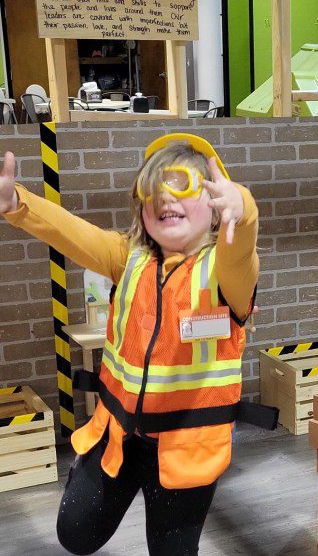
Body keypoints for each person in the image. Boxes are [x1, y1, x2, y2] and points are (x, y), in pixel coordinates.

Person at [0, 133, 276, 556]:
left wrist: (246, 207)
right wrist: (18, 203)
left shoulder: (225, 271)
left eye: (182, 187)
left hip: (186, 449)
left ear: (218, 209)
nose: (166, 199)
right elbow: (70, 232)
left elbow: (242, 251)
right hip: (119, 435)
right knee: (75, 533)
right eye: (153, 193)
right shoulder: (126, 256)